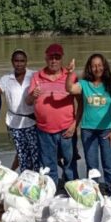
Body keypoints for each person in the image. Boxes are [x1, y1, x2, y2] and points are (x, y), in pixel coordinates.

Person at [65, 53, 111, 192]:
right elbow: (70, 89)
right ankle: (92, 193)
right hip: (87, 130)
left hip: (107, 130)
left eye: (100, 65)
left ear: (104, 67)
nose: (97, 68)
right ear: (89, 68)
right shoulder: (84, 84)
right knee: (92, 165)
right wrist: (69, 73)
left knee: (108, 164)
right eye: (94, 66)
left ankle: (110, 192)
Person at [27, 43, 78, 186]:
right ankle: (51, 191)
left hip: (66, 129)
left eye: (57, 57)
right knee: (48, 165)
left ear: (61, 59)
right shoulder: (36, 77)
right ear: (46, 58)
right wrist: (32, 95)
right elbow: (28, 101)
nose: (53, 60)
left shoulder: (71, 76)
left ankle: (72, 189)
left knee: (69, 162)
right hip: (44, 130)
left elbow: (81, 103)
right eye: (51, 57)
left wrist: (75, 125)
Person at [0, 49, 38, 172]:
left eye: (22, 61)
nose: (19, 64)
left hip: (34, 121)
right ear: (12, 62)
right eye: (16, 61)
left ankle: (38, 178)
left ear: (26, 62)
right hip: (15, 122)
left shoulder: (34, 75)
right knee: (22, 154)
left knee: (36, 153)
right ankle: (25, 178)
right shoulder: (6, 79)